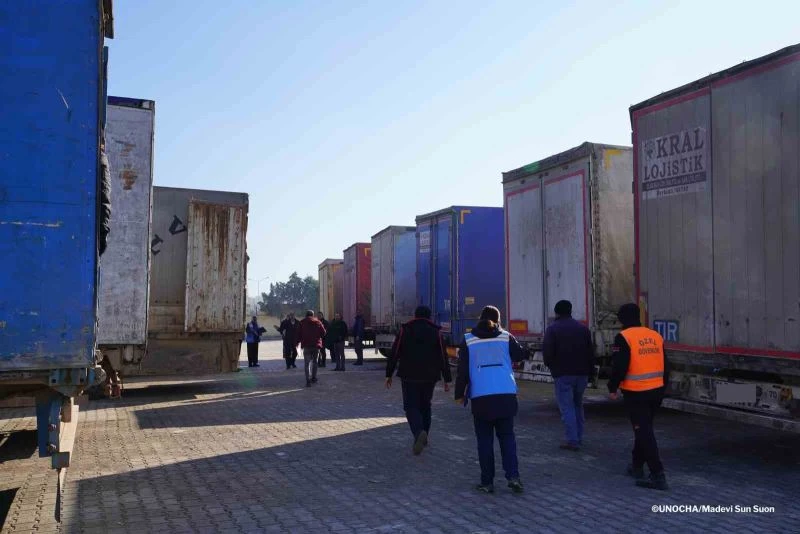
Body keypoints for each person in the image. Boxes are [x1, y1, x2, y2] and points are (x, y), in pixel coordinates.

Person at [455, 306, 526, 494]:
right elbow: (520, 354)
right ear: (498, 319)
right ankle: (513, 477)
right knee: (507, 438)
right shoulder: (505, 337)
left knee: (485, 441)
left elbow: (462, 371)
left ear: (480, 318)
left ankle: (487, 482)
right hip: (506, 395)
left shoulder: (468, 340)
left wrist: (459, 394)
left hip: (481, 397)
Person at [608, 303, 670, 491]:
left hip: (637, 393)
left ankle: (657, 475)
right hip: (656, 390)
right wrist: (663, 385)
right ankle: (636, 466)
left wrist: (612, 387)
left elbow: (619, 365)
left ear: (621, 319)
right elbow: (666, 364)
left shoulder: (624, 337)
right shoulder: (655, 336)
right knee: (644, 429)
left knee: (644, 432)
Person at [385, 306, 452, 455]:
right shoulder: (436, 332)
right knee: (425, 405)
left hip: (409, 375)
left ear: (415, 316)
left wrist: (388, 374)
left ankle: (418, 432)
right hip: (430, 376)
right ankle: (425, 434)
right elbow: (443, 356)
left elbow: (395, 352)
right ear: (429, 317)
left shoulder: (405, 330)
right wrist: (447, 379)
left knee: (411, 406)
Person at [542, 300, 595, 451]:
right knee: (578, 405)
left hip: (563, 374)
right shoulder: (583, 329)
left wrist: (552, 366)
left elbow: (548, 353)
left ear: (556, 312)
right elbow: (590, 352)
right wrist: (590, 372)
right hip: (582, 374)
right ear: (570, 311)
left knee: (567, 407)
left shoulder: (553, 329)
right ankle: (579, 436)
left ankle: (572, 440)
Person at [297, 310, 327, 387]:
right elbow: (323, 333)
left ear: (306, 315)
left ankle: (308, 381)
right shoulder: (318, 322)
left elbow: (298, 334)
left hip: (306, 346)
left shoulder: (302, 322)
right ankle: (314, 378)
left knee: (306, 364)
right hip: (316, 346)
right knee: (315, 362)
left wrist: (298, 343)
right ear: (313, 315)